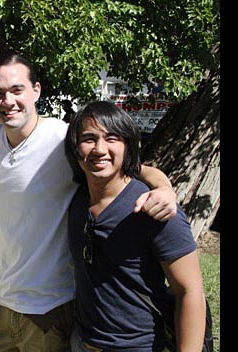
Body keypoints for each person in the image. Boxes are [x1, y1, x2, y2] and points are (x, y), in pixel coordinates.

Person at [0, 52, 178, 351]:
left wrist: (165, 188)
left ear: (36, 91)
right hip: (1, 304)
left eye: (17, 90)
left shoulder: (63, 139)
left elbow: (132, 168)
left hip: (53, 309)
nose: (8, 101)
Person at [64, 100, 206, 351]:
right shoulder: (78, 198)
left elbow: (190, 292)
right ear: (75, 148)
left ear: (127, 145)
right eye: (88, 138)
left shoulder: (155, 209)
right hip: (82, 342)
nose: (99, 149)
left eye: (112, 138)